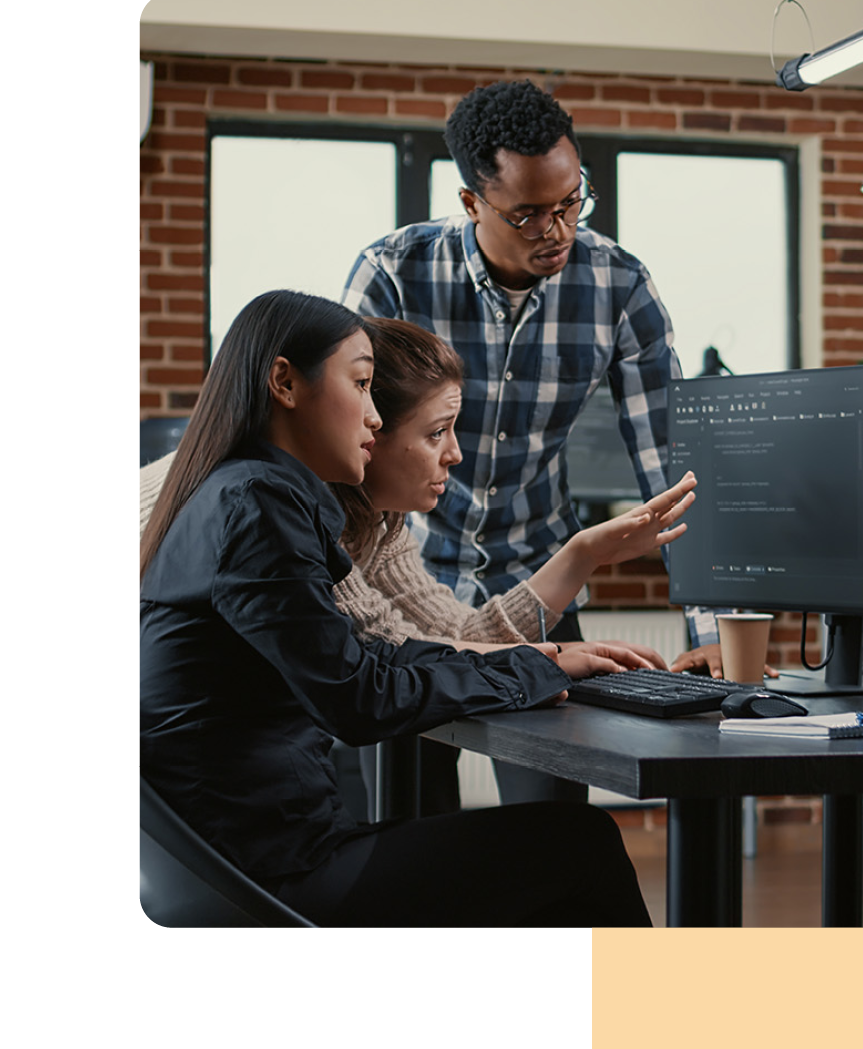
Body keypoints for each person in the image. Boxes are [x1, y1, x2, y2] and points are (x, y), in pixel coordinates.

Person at [140, 289, 655, 926]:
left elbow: (373, 654)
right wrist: (534, 670)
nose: (375, 417)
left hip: (224, 860)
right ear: (284, 383)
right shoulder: (256, 506)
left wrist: (537, 660)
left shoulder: (244, 491)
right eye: (360, 385)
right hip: (268, 875)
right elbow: (360, 697)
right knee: (583, 845)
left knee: (548, 851)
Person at [341, 79, 728, 805]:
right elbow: (344, 446)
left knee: (553, 826)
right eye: (527, 214)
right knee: (409, 826)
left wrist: (708, 625)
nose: (556, 230)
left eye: (570, 202)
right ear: (471, 204)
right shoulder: (394, 273)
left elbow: (667, 461)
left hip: (538, 580)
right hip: (404, 591)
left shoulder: (618, 285)